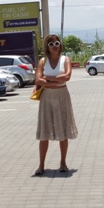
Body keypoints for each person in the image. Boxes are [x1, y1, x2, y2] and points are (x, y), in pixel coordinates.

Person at [34, 34, 78, 175]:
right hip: (47, 97)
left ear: (60, 45)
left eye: (57, 43)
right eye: (51, 44)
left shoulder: (65, 59)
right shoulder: (42, 61)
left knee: (63, 130)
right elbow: (38, 80)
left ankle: (63, 163)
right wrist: (55, 81)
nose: (54, 46)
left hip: (62, 96)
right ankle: (41, 165)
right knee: (44, 132)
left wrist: (48, 78)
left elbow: (67, 76)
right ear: (47, 46)